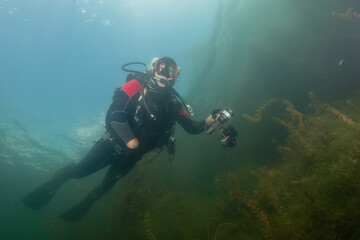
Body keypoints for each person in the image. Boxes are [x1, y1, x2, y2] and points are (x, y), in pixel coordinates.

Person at [22, 57, 217, 222]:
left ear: (176, 75)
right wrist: (130, 140)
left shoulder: (174, 103)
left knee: (107, 185)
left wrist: (213, 120)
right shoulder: (136, 85)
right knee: (79, 172)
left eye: (171, 71)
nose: (165, 74)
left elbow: (193, 127)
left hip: (131, 158)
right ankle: (54, 184)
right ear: (153, 69)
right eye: (161, 68)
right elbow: (114, 115)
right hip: (110, 146)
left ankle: (88, 202)